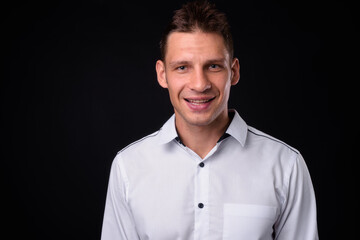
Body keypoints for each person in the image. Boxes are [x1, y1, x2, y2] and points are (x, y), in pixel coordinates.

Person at [101, 1, 319, 239]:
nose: (199, 84)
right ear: (162, 75)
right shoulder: (128, 168)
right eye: (182, 67)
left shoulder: (286, 166)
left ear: (233, 72)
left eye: (213, 66)